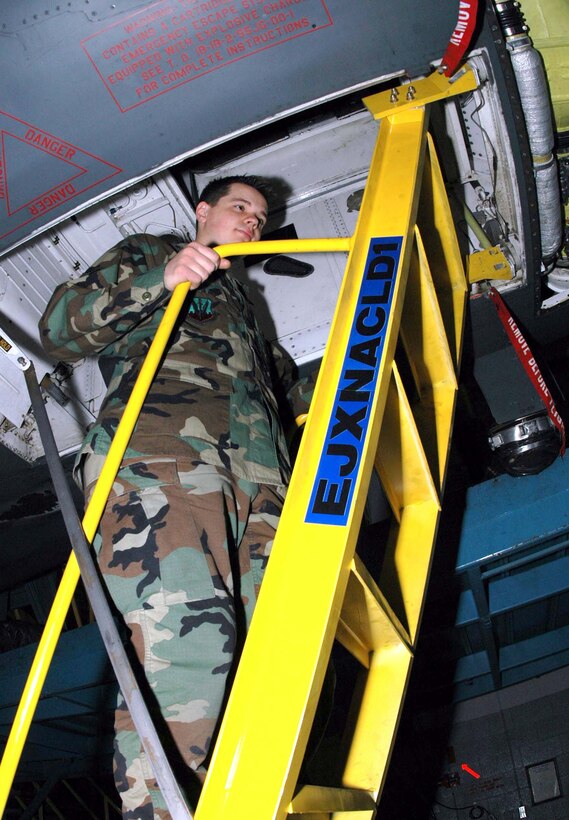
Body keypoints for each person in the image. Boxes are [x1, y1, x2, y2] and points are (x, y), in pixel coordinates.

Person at [39, 176, 314, 819]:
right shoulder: (152, 253)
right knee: (184, 644)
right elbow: (60, 329)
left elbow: (289, 395)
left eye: (262, 215)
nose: (253, 220)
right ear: (202, 212)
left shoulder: (246, 313)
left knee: (268, 657)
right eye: (240, 206)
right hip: (163, 461)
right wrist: (162, 276)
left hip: (261, 491)